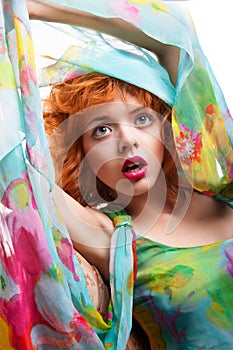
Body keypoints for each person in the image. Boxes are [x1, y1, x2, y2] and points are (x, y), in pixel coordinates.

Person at [0, 0, 232, 349]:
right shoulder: (112, 241)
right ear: (83, 158)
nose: (127, 141)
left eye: (142, 119)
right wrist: (10, 33)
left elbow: (175, 34)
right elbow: (21, 171)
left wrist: (33, 7)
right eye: (101, 130)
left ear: (169, 131)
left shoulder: (226, 186)